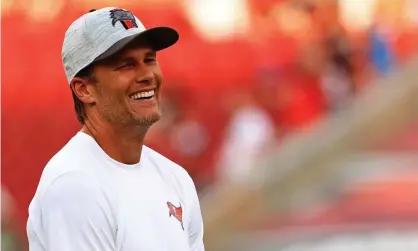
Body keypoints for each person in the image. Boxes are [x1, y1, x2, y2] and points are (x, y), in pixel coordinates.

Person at [26, 7, 205, 251]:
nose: (147, 75)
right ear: (84, 89)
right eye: (126, 65)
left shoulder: (175, 178)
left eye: (149, 59)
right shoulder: (74, 184)